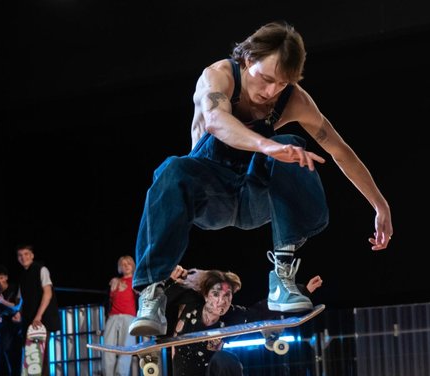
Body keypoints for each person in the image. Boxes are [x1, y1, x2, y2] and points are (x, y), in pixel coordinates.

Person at [129, 20, 393, 338]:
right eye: (266, 79)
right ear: (247, 58)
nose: (270, 92)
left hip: (253, 198)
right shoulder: (219, 76)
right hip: (209, 196)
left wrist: (380, 204)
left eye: (281, 84)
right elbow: (215, 120)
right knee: (172, 169)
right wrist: (266, 145)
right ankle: (152, 292)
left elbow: (339, 150)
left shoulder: (295, 100)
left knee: (293, 146)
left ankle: (282, 274)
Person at [165, 266, 323, 376]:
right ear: (206, 295)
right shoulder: (190, 301)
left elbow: (264, 309)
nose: (221, 301)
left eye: (227, 295)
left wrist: (304, 291)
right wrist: (172, 277)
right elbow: (163, 298)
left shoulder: (234, 317)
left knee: (225, 359)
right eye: (216, 294)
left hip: (213, 371)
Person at [12, 245, 60, 376]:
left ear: (32, 255)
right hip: (29, 319)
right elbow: (21, 299)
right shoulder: (22, 275)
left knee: (40, 355)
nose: (23, 257)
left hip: (42, 319)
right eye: (20, 255)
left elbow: (48, 293)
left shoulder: (41, 269)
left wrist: (38, 316)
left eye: (26, 254)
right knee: (31, 357)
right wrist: (19, 313)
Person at [102, 255, 139, 376]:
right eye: (123, 264)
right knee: (108, 348)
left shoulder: (136, 280)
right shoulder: (115, 281)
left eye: (128, 263)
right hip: (113, 316)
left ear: (133, 265)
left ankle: (121, 374)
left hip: (129, 317)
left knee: (126, 348)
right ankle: (108, 374)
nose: (126, 266)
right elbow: (108, 301)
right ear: (120, 268)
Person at [0, 264, 22, 376]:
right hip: (5, 323)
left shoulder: (14, 288)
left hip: (18, 321)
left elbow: (16, 306)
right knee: (5, 348)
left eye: (1, 278)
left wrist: (3, 301)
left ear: (6, 277)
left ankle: (18, 371)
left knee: (17, 349)